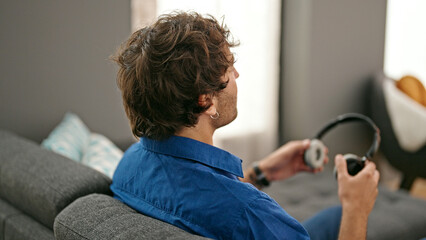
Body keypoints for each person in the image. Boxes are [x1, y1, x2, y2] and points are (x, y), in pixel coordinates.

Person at [111, 11, 379, 240]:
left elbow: (199, 197)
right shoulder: (249, 211)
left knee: (334, 217)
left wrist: (259, 174)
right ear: (206, 101)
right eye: (229, 68)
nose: (237, 74)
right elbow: (231, 210)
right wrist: (357, 206)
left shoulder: (130, 164)